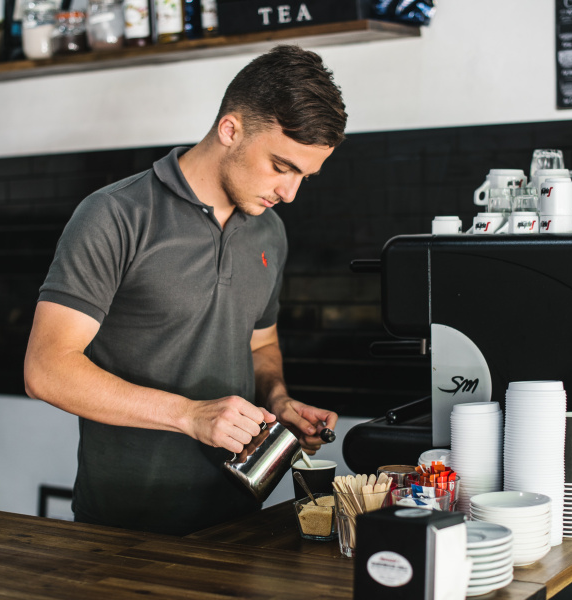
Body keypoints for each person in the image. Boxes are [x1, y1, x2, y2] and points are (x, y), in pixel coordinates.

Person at [24, 45, 347, 535]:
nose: (289, 193)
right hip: (123, 527)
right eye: (281, 166)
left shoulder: (269, 231)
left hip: (239, 520)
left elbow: (260, 343)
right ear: (230, 130)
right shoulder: (116, 215)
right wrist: (189, 415)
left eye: (305, 176)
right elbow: (46, 369)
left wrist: (279, 400)